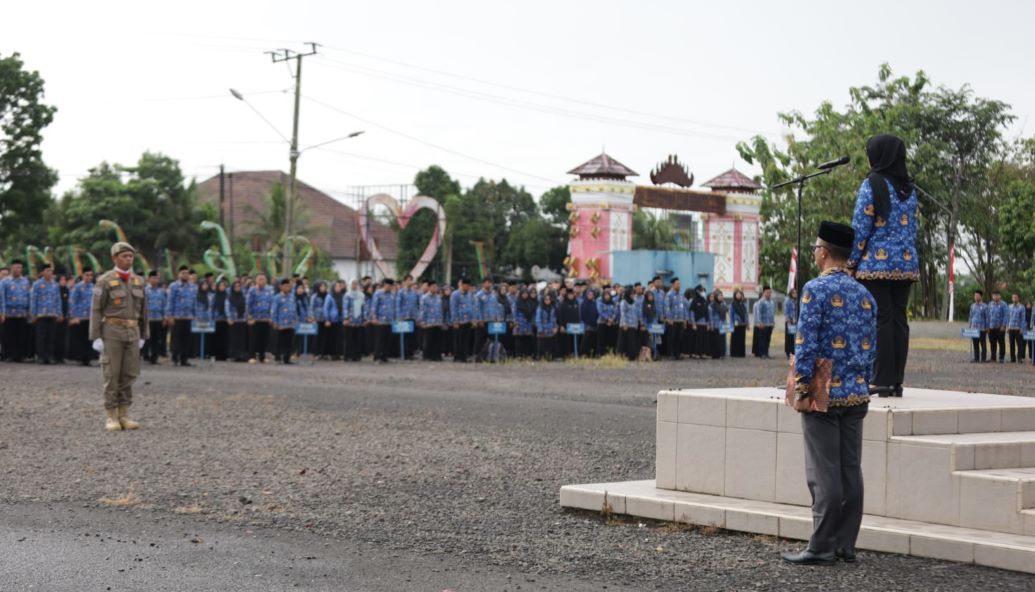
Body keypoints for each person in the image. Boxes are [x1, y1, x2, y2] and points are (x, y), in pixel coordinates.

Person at [782, 221, 877, 566]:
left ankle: (821, 546)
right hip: (856, 393)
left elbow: (804, 343)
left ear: (823, 252)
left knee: (824, 473)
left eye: (815, 250)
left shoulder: (814, 290)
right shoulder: (866, 295)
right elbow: (871, 351)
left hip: (822, 392)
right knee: (851, 470)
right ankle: (845, 544)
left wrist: (802, 387)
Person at [848, 134, 918, 398]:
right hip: (907, 265)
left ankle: (882, 379)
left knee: (882, 320)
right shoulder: (909, 188)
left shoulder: (872, 183)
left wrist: (852, 262)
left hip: (876, 264)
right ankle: (896, 381)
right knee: (899, 319)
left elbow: (861, 227)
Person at [89, 242, 149, 432]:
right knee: (111, 373)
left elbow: (145, 311)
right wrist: (96, 336)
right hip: (112, 331)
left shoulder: (138, 281)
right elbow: (96, 309)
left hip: (132, 332)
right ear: (115, 258)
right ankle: (111, 415)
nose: (128, 259)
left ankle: (124, 414)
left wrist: (144, 334)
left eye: (131, 256)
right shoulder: (104, 280)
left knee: (129, 373)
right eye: (124, 256)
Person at [30, 264, 63, 365]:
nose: (49, 273)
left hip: (52, 314)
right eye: (47, 270)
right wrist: (33, 313)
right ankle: (40, 357)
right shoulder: (37, 284)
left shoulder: (55, 284)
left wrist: (59, 313)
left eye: (51, 271)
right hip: (41, 314)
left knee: (51, 337)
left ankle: (49, 356)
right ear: (42, 272)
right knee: (41, 337)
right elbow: (33, 299)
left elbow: (58, 300)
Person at [165, 265, 197, 367]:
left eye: (187, 273)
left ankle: (184, 359)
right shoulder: (173, 286)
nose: (186, 275)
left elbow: (194, 302)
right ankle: (175, 358)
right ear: (179, 274)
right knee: (176, 339)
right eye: (183, 273)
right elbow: (170, 301)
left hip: (188, 317)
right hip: (177, 317)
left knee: (186, 339)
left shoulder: (193, 287)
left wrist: (195, 315)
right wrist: (170, 316)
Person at [0, 260, 32, 362]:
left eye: (20, 267)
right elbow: (2, 298)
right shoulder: (5, 282)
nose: (18, 269)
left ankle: (20, 355)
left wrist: (29, 310)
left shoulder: (25, 281)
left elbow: (29, 296)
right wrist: (2, 312)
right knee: (9, 335)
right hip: (9, 313)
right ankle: (9, 355)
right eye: (16, 267)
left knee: (22, 335)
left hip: (22, 312)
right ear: (11, 268)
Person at [68, 269, 96, 366]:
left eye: (90, 275)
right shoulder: (77, 287)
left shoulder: (94, 288)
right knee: (80, 338)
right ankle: (79, 358)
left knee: (89, 338)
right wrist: (74, 316)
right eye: (87, 275)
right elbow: (72, 302)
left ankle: (87, 358)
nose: (88, 277)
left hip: (91, 317)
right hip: (80, 317)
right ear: (82, 275)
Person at [246, 273, 275, 363]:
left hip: (266, 318)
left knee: (264, 338)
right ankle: (251, 356)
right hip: (255, 318)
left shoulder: (269, 290)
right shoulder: (252, 290)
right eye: (260, 279)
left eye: (263, 279)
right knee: (253, 338)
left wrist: (271, 317)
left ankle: (262, 357)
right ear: (256, 280)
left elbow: (272, 304)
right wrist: (249, 317)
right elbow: (248, 304)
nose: (262, 281)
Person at [272, 278, 299, 364]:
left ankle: (287, 358)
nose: (288, 288)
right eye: (286, 286)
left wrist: (295, 320)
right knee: (279, 341)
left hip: (291, 324)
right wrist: (275, 322)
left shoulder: (292, 296)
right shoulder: (277, 297)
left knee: (289, 342)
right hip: (281, 324)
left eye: (289, 286)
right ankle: (277, 358)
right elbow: (273, 311)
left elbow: (294, 309)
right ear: (281, 287)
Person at [143, 271, 167, 364]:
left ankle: (154, 358)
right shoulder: (145, 290)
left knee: (156, 339)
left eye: (157, 278)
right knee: (146, 338)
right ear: (149, 279)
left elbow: (164, 305)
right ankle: (145, 356)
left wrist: (165, 317)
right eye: (153, 278)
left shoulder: (161, 291)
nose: (155, 280)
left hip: (158, 318)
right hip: (148, 318)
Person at [370, 278, 397, 363]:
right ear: (385, 285)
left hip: (389, 320)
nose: (390, 287)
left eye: (391, 286)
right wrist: (374, 317)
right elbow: (374, 306)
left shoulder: (392, 295)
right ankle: (377, 357)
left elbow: (394, 307)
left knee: (387, 340)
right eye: (389, 286)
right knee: (380, 340)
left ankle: (384, 356)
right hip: (380, 320)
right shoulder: (378, 293)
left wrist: (395, 318)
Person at [418, 280, 445, 361]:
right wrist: (422, 321)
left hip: (437, 322)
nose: (435, 288)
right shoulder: (424, 297)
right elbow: (423, 310)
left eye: (436, 287)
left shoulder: (438, 297)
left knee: (437, 340)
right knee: (428, 340)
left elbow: (440, 310)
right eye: (433, 287)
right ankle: (427, 356)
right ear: (429, 287)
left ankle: (436, 356)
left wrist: (441, 321)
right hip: (428, 322)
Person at [450, 278, 475, 363]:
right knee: (458, 340)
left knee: (465, 340)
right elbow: (453, 308)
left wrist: (472, 319)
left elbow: (471, 306)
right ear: (463, 285)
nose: (468, 287)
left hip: (468, 321)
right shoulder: (455, 294)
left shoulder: (469, 294)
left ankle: (464, 357)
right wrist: (455, 321)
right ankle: (457, 357)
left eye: (469, 286)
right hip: (459, 321)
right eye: (467, 285)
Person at [226, 279, 249, 362]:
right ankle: (233, 355)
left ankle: (241, 355)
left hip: (242, 320)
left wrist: (246, 317)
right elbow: (227, 308)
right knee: (233, 338)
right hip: (233, 320)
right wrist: (229, 318)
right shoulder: (229, 297)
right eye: (236, 286)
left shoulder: (243, 296)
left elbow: (247, 307)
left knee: (241, 339)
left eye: (239, 286)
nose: (237, 288)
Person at [322, 281, 346, 360]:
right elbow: (326, 308)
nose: (338, 288)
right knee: (331, 338)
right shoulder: (330, 296)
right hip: (332, 320)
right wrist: (327, 319)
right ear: (333, 287)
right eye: (337, 286)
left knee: (339, 338)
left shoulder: (342, 296)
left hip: (340, 319)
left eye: (339, 286)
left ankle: (337, 354)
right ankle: (331, 354)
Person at [664, 278, 686, 360]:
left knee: (679, 337)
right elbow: (667, 307)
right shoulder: (669, 295)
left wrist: (684, 318)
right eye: (677, 284)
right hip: (672, 320)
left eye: (679, 284)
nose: (679, 285)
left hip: (680, 320)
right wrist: (669, 318)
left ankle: (678, 354)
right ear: (673, 285)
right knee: (671, 337)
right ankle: (671, 354)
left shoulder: (681, 295)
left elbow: (683, 307)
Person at [512, 288, 537, 359]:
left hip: (528, 324)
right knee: (519, 340)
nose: (525, 295)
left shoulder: (530, 302)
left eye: (526, 293)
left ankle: (527, 355)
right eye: (523, 293)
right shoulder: (517, 302)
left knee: (528, 340)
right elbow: (514, 313)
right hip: (519, 324)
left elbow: (532, 313)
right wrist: (515, 322)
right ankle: (519, 355)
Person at [752, 286, 775, 359]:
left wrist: (773, 322)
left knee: (768, 339)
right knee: (762, 339)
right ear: (764, 292)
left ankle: (766, 352)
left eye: (770, 292)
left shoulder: (771, 302)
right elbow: (758, 313)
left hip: (770, 323)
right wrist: (759, 322)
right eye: (767, 292)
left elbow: (772, 313)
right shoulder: (761, 302)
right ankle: (761, 353)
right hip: (763, 324)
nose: (769, 294)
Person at [618, 288, 641, 361]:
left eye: (633, 294)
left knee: (632, 341)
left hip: (633, 325)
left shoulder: (635, 302)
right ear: (628, 294)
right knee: (624, 341)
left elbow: (636, 313)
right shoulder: (623, 302)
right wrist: (625, 324)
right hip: (625, 325)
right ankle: (622, 355)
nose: (633, 295)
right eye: (631, 294)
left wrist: (637, 323)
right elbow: (623, 313)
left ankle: (632, 356)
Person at [535, 292, 558, 361]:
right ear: (543, 300)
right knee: (542, 345)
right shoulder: (540, 308)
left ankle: (550, 358)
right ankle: (541, 357)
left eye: (548, 299)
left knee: (550, 344)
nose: (547, 301)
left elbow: (554, 319)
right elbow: (538, 319)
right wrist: (540, 329)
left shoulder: (552, 308)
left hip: (550, 329)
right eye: (546, 299)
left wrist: (555, 327)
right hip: (542, 330)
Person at [987, 290, 1007, 364]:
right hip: (991, 327)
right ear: (992, 296)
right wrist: (987, 326)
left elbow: (1006, 316)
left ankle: (1001, 358)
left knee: (1001, 343)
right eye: (994, 295)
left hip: (1000, 327)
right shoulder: (990, 304)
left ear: (1000, 296)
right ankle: (993, 357)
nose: (995, 297)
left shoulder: (1003, 304)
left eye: (997, 295)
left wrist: (1003, 325)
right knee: (992, 343)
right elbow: (988, 316)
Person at [596, 289, 618, 356]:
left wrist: (612, 319)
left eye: (608, 295)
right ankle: (601, 354)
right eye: (605, 295)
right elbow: (600, 312)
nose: (607, 296)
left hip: (611, 323)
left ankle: (610, 353)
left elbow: (615, 312)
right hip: (602, 323)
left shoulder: (613, 303)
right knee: (601, 340)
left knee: (611, 339)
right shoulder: (600, 302)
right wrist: (607, 319)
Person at [211, 279, 230, 361]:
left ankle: (224, 355)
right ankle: (217, 355)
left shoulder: (227, 296)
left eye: (223, 286)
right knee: (216, 338)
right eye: (220, 286)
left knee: (225, 338)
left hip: (225, 320)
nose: (222, 287)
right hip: (216, 319)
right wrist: (212, 317)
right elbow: (212, 307)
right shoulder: (214, 296)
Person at [969, 291, 988, 363]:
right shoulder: (972, 306)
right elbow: (971, 317)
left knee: (983, 344)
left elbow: (987, 317)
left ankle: (983, 358)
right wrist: (970, 326)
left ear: (981, 297)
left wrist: (987, 327)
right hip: (974, 328)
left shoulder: (985, 306)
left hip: (982, 328)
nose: (976, 297)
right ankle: (976, 358)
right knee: (975, 343)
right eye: (975, 296)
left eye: (977, 296)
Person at [310, 282, 328, 359]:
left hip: (325, 318)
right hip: (316, 318)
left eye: (324, 286)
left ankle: (322, 353)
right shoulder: (315, 296)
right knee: (316, 337)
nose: (323, 288)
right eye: (321, 286)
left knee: (324, 336)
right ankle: (315, 353)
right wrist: (312, 317)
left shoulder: (328, 296)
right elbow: (311, 307)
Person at [580, 288, 599, 358]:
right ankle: (584, 354)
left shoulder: (594, 303)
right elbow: (582, 315)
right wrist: (587, 323)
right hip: (587, 325)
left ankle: (593, 354)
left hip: (595, 324)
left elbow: (596, 313)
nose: (591, 296)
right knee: (586, 340)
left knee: (593, 340)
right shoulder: (584, 303)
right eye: (589, 294)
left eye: (592, 294)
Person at [729, 289, 748, 358]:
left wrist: (747, 323)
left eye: (740, 294)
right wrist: (731, 324)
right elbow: (731, 315)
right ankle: (734, 353)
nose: (739, 295)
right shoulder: (732, 304)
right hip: (735, 324)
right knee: (734, 338)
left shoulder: (743, 304)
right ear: (735, 295)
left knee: (742, 338)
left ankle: (741, 353)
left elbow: (746, 314)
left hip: (742, 324)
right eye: (737, 294)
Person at [709, 290, 728, 359]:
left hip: (723, 324)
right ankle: (716, 355)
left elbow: (726, 314)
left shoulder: (723, 304)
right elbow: (711, 316)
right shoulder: (712, 305)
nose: (721, 297)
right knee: (716, 341)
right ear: (716, 297)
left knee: (723, 340)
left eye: (721, 296)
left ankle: (722, 354)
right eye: (719, 296)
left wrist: (726, 324)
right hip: (716, 325)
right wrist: (711, 325)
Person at [1007, 293, 1026, 363]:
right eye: (1013, 297)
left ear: (1018, 298)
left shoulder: (1022, 307)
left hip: (1018, 328)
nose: (1014, 299)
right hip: (1011, 328)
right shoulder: (1009, 306)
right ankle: (1012, 358)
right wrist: (1007, 327)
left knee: (1019, 344)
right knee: (1011, 344)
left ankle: (1020, 358)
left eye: (1015, 297)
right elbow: (1008, 317)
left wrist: (1022, 328)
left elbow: (1023, 319)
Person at [784, 288, 799, 359]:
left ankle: (793, 351)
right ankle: (788, 351)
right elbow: (786, 311)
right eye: (794, 293)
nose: (795, 294)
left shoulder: (795, 301)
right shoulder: (788, 301)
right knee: (789, 338)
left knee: (794, 337)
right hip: (790, 321)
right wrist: (788, 320)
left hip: (795, 321)